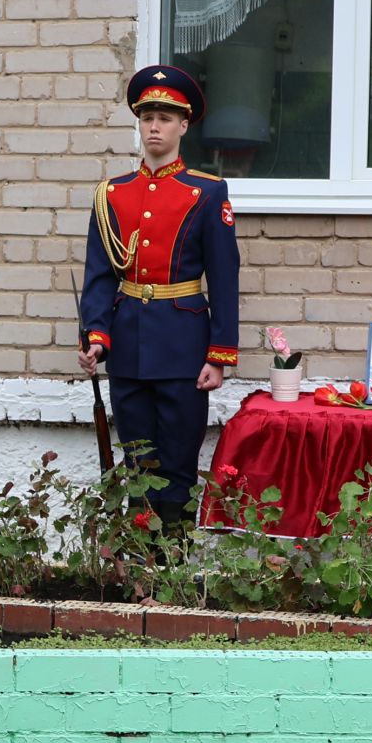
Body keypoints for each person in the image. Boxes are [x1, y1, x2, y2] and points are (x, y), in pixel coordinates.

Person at [78, 64, 240, 524]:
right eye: (147, 116)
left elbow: (224, 278)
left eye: (166, 118)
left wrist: (219, 354)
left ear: (184, 126)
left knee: (177, 466)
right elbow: (100, 274)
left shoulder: (206, 193)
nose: (154, 126)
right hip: (128, 344)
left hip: (185, 345)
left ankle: (172, 575)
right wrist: (95, 336)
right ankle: (142, 577)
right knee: (136, 465)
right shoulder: (112, 195)